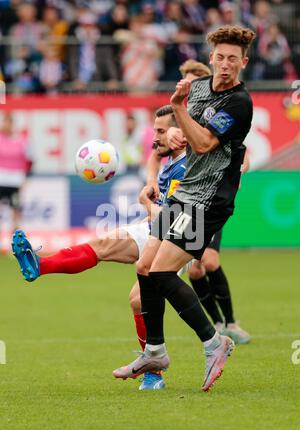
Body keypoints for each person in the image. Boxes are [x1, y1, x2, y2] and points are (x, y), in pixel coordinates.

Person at [113, 25, 256, 392]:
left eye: (233, 59)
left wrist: (178, 109)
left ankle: (214, 343)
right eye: (220, 57)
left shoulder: (239, 102)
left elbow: (206, 142)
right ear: (211, 59)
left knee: (161, 274)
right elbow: (186, 136)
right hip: (183, 193)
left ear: (244, 62)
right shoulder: (200, 90)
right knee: (145, 268)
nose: (226, 65)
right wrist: (174, 132)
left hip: (208, 199)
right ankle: (156, 351)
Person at [12, 105, 187, 390]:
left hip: (178, 238)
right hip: (154, 229)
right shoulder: (168, 156)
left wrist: (147, 202)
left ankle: (155, 371)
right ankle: (39, 265)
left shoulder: (190, 165)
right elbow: (155, 158)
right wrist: (152, 181)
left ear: (180, 133)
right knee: (103, 243)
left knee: (138, 301)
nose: (154, 136)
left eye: (160, 131)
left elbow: (170, 218)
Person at [179, 59, 251, 345]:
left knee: (208, 260)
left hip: (210, 197)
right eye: (184, 78)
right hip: (186, 198)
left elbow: (239, 149)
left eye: (193, 79)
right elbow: (158, 154)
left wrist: (239, 166)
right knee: (195, 269)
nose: (189, 84)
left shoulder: (223, 108)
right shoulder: (180, 118)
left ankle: (232, 321)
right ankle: (218, 323)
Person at [0, 111, 32, 240]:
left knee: (16, 211)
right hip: (1, 180)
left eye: (9, 122)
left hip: (16, 181)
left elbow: (30, 161)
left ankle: (15, 243)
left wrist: (26, 178)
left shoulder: (22, 140)